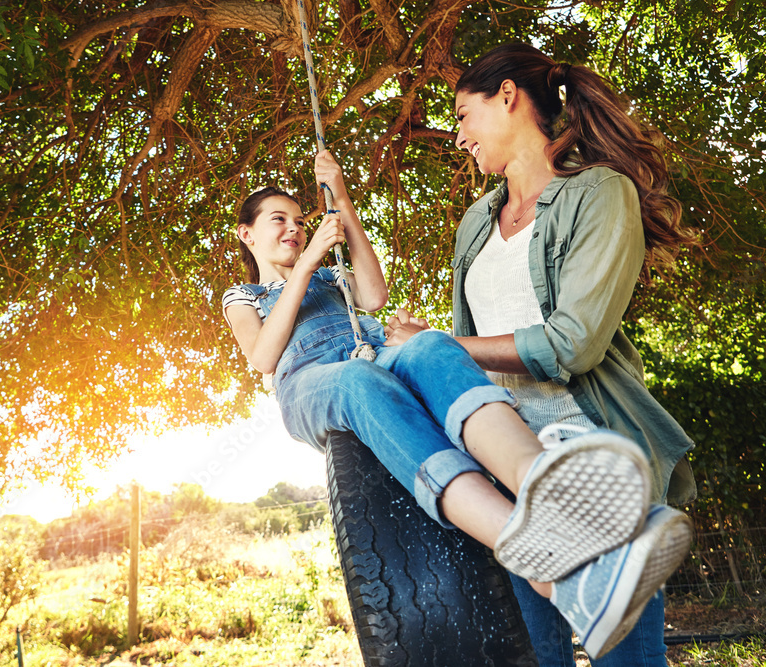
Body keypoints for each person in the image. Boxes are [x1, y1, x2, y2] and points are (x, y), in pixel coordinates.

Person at [223, 147, 693, 660]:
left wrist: (342, 199)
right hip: (314, 383)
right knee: (358, 377)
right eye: (277, 221)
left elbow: (375, 296)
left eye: (298, 219)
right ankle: (529, 549)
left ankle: (553, 505)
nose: (292, 228)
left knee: (429, 345)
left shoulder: (332, 277)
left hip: (373, 356)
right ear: (248, 234)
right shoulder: (243, 295)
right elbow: (263, 356)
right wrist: (310, 257)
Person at [385, 43, 700, 666]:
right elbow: (466, 360)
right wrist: (433, 352)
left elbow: (573, 343)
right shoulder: (476, 221)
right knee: (535, 656)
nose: (459, 136)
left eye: (463, 115)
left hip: (590, 454)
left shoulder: (599, 194)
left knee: (625, 658)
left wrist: (442, 348)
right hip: (508, 477)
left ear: (508, 97)